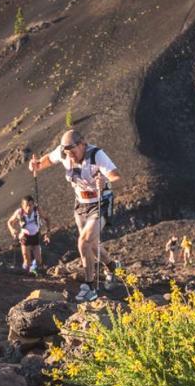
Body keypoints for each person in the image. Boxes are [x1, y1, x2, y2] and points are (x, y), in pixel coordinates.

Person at [29, 129, 122, 302]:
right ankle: (112, 266)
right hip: (80, 205)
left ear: (82, 144)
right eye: (67, 153)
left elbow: (116, 175)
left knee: (84, 242)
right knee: (92, 245)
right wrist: (37, 165)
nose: (70, 156)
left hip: (100, 203)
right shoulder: (64, 153)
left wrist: (105, 181)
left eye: (73, 152)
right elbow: (48, 160)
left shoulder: (96, 155)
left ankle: (90, 286)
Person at [7, 195, 51, 274]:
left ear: (33, 204)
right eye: (26, 205)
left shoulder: (37, 210)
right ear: (22, 206)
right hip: (25, 237)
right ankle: (26, 273)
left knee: (39, 261)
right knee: (27, 261)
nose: (29, 207)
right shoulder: (19, 212)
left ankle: (32, 270)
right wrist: (13, 230)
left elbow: (47, 219)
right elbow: (9, 222)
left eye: (31, 205)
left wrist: (48, 232)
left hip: (35, 236)